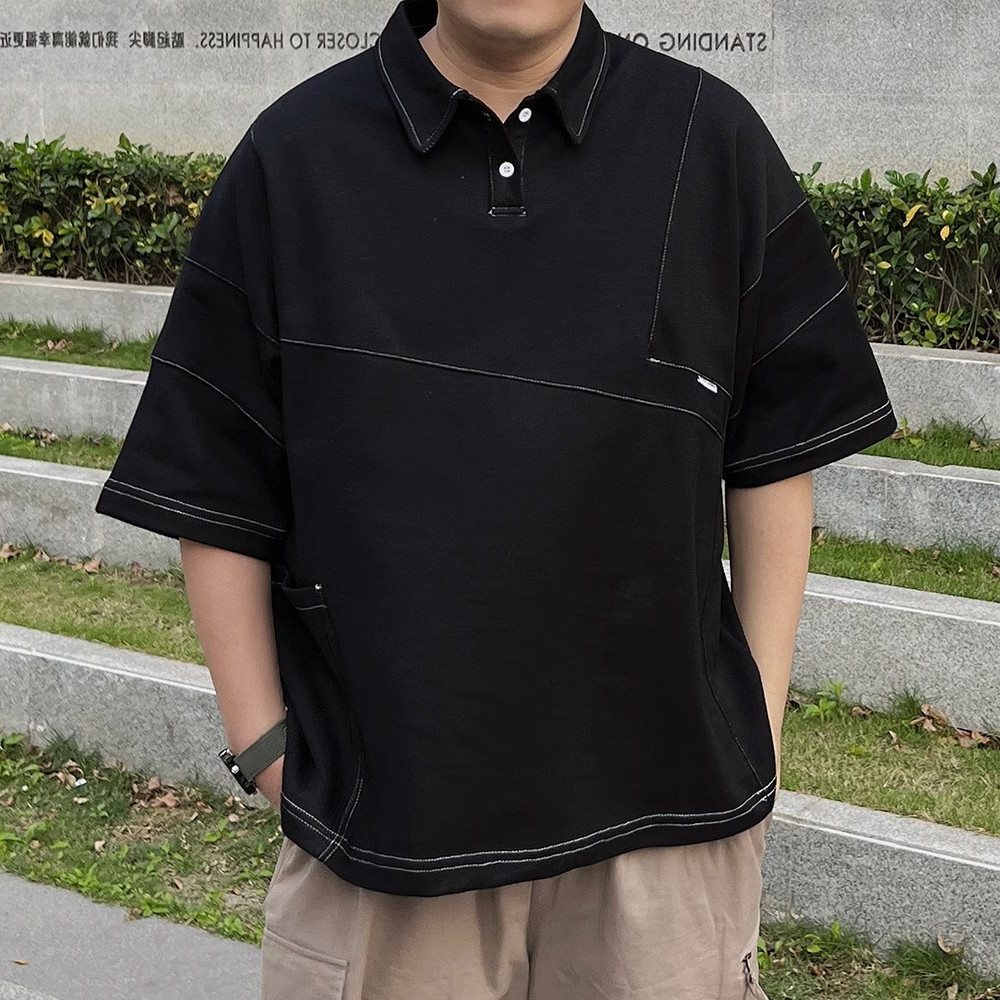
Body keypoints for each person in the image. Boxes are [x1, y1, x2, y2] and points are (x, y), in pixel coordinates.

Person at [93, 0, 898, 996]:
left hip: (665, 829)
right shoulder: (293, 159)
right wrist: (264, 746)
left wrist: (758, 723)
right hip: (384, 830)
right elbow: (216, 476)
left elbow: (776, 451)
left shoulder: (708, 138)